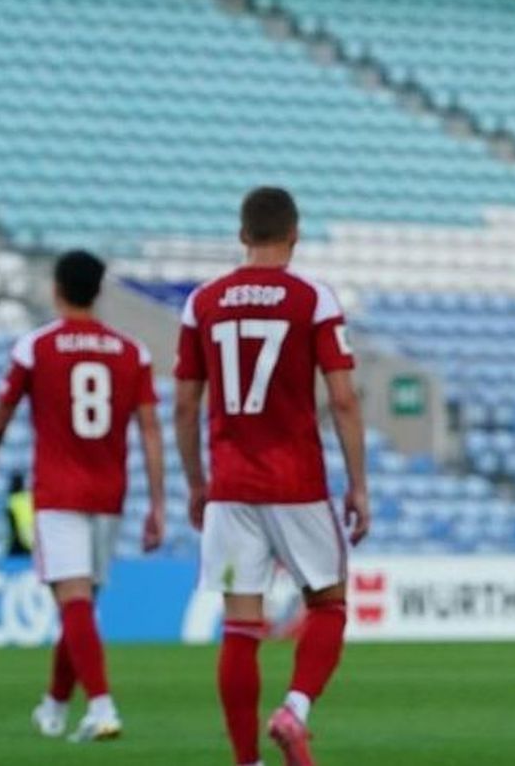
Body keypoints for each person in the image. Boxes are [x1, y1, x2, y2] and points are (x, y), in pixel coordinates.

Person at [174, 186, 370, 766]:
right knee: (329, 605)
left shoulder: (203, 301)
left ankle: (246, 761)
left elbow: (184, 405)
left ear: (242, 236)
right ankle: (295, 710)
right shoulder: (312, 299)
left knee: (241, 626)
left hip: (230, 486)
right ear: (295, 235)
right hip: (297, 484)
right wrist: (358, 484)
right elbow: (343, 399)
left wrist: (196, 483)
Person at [0, 250, 166, 742]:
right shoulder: (132, 352)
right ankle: (55, 706)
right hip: (109, 493)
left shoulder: (35, 347)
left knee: (75, 602)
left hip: (60, 491)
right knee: (80, 604)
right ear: (98, 291)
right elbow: (149, 431)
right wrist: (159, 503)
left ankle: (101, 707)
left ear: (57, 288)